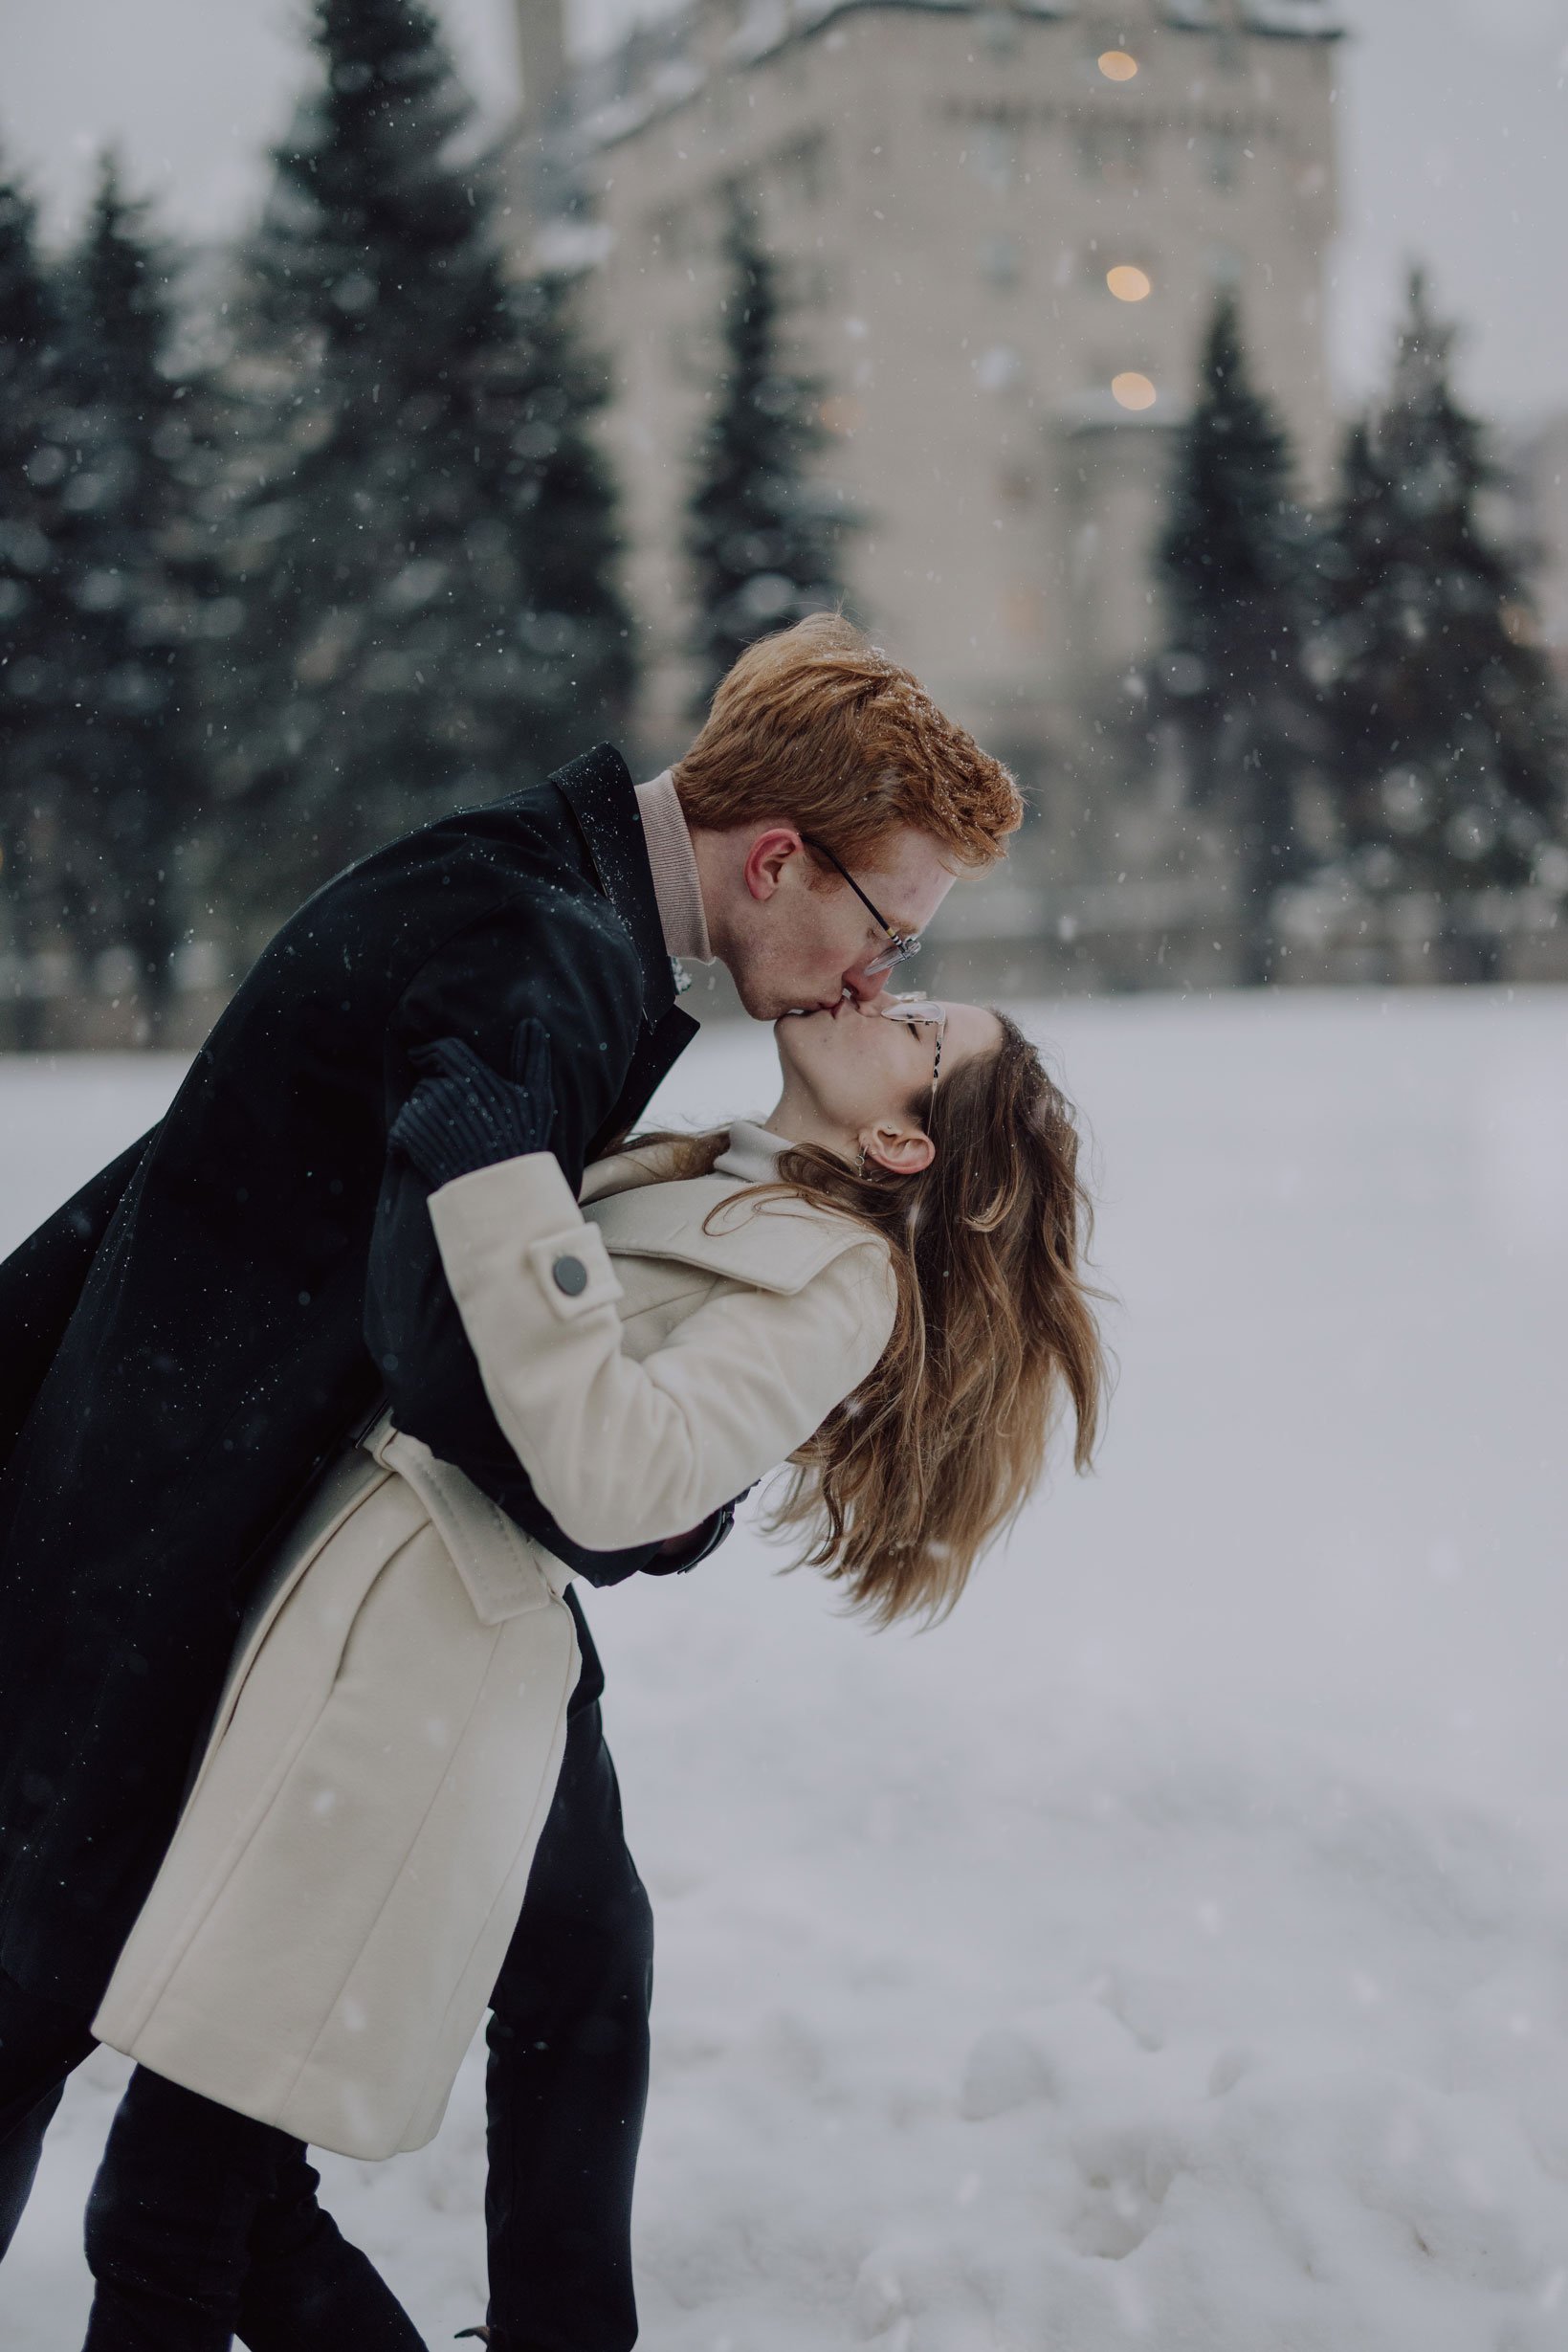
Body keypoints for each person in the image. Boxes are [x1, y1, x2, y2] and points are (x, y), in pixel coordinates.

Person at [0, 616, 1022, 2293]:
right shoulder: (537, 949)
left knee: (578, 1965)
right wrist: (650, 1503)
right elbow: (461, 1362)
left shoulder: (547, 903)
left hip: (269, 1525)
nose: (871, 974)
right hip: (179, 1535)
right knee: (66, 2043)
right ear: (780, 857)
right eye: (884, 929)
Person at [77, 987, 1107, 2350]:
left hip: (419, 1662)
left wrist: (505, 1187)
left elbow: (626, 1470)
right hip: (407, 1620)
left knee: (175, 2212)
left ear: (909, 1144)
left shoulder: (837, 1272)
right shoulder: (712, 1165)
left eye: (921, 1028)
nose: (877, 990)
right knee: (552, 1980)